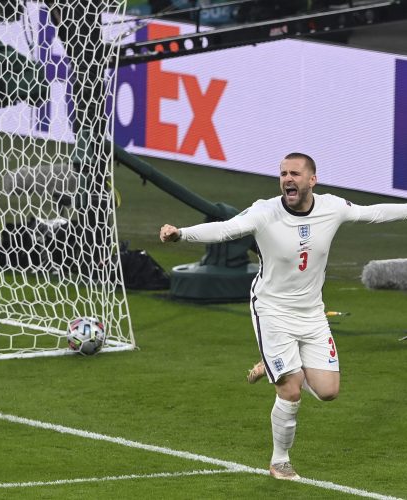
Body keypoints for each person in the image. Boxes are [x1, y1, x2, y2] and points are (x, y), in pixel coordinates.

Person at [160, 152, 407, 480]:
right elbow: (225, 230)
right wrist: (182, 234)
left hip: (312, 313)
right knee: (291, 390)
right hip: (271, 310)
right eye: (283, 174)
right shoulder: (264, 212)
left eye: (294, 173)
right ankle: (280, 461)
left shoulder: (332, 207)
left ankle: (276, 362)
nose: (287, 179)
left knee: (329, 392)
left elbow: (373, 212)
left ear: (311, 180)